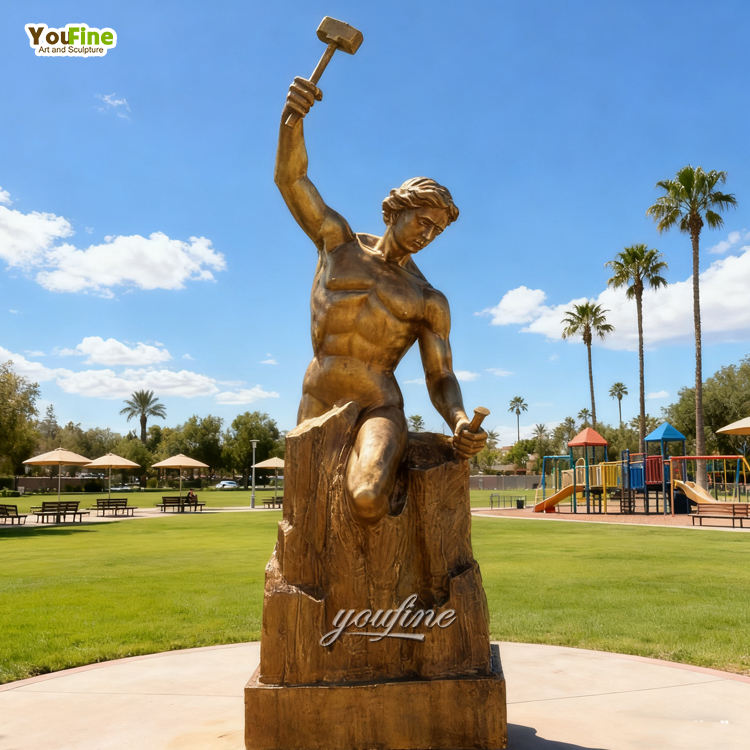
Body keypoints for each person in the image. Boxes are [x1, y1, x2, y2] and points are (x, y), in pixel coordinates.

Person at [276, 76, 487, 525]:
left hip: (378, 403)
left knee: (367, 496)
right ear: (397, 209)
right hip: (318, 394)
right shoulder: (339, 243)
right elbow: (291, 179)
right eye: (423, 221)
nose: (428, 234)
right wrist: (292, 120)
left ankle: (404, 470)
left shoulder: (428, 298)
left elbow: (440, 375)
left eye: (437, 230)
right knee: (307, 513)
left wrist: (458, 420)